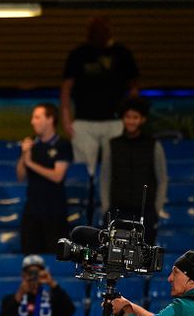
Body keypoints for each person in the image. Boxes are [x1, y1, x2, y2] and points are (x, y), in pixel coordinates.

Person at [60, 16, 139, 176]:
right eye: (94, 30)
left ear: (109, 31)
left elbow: (134, 89)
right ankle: (87, 200)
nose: (98, 33)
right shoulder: (78, 54)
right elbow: (66, 89)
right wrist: (66, 118)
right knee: (85, 170)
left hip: (115, 121)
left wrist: (130, 118)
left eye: (101, 29)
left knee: (116, 168)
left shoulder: (122, 54)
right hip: (84, 121)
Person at [99, 97, 166, 244]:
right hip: (117, 211)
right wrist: (106, 209)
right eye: (128, 117)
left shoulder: (154, 146)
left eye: (135, 117)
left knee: (144, 258)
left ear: (142, 119)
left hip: (145, 212)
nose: (131, 121)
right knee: (113, 257)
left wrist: (156, 209)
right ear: (123, 118)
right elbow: (105, 178)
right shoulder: (112, 145)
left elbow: (162, 179)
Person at [17, 103, 73, 254]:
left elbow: (57, 176)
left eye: (37, 117)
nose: (32, 122)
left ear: (50, 119)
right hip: (32, 211)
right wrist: (24, 155)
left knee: (55, 257)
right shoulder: (31, 143)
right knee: (30, 259)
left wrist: (30, 163)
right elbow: (20, 176)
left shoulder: (62, 145)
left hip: (55, 212)